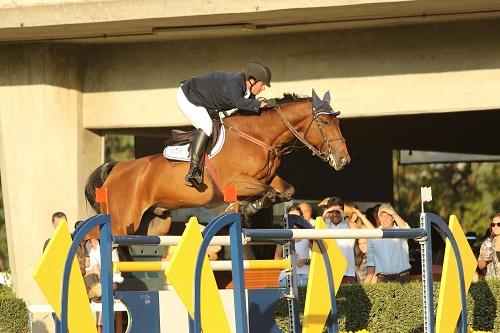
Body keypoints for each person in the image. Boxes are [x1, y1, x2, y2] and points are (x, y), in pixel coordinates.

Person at [177, 61, 276, 189]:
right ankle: (193, 171)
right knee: (206, 126)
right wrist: (261, 104)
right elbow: (237, 102)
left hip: (207, 102)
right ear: (251, 80)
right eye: (262, 84)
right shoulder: (234, 83)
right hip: (189, 96)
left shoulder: (248, 92)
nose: (263, 88)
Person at [365, 203, 411, 283]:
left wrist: (393, 213)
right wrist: (367, 283)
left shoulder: (400, 230)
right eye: (382, 215)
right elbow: (371, 262)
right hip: (382, 279)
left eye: (388, 215)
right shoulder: (373, 235)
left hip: (402, 278)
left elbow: (409, 231)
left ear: (393, 218)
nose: (384, 218)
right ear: (378, 218)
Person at [322, 197, 359, 284]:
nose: (335, 214)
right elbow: (313, 235)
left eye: (338, 211)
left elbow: (359, 232)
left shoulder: (348, 224)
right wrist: (324, 215)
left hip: (348, 273)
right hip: (328, 273)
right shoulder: (324, 225)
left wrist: (345, 216)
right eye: (331, 212)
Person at [275, 206, 311, 287]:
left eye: (296, 218)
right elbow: (276, 259)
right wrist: (289, 261)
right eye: (291, 218)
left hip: (305, 275)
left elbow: (318, 259)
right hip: (286, 276)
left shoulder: (308, 235)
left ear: (302, 218)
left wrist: (305, 261)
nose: (294, 221)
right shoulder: (282, 236)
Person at [477, 213, 500, 279]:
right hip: (492, 285)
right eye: (493, 225)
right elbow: (480, 266)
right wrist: (484, 259)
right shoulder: (487, 244)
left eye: (498, 224)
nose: (495, 227)